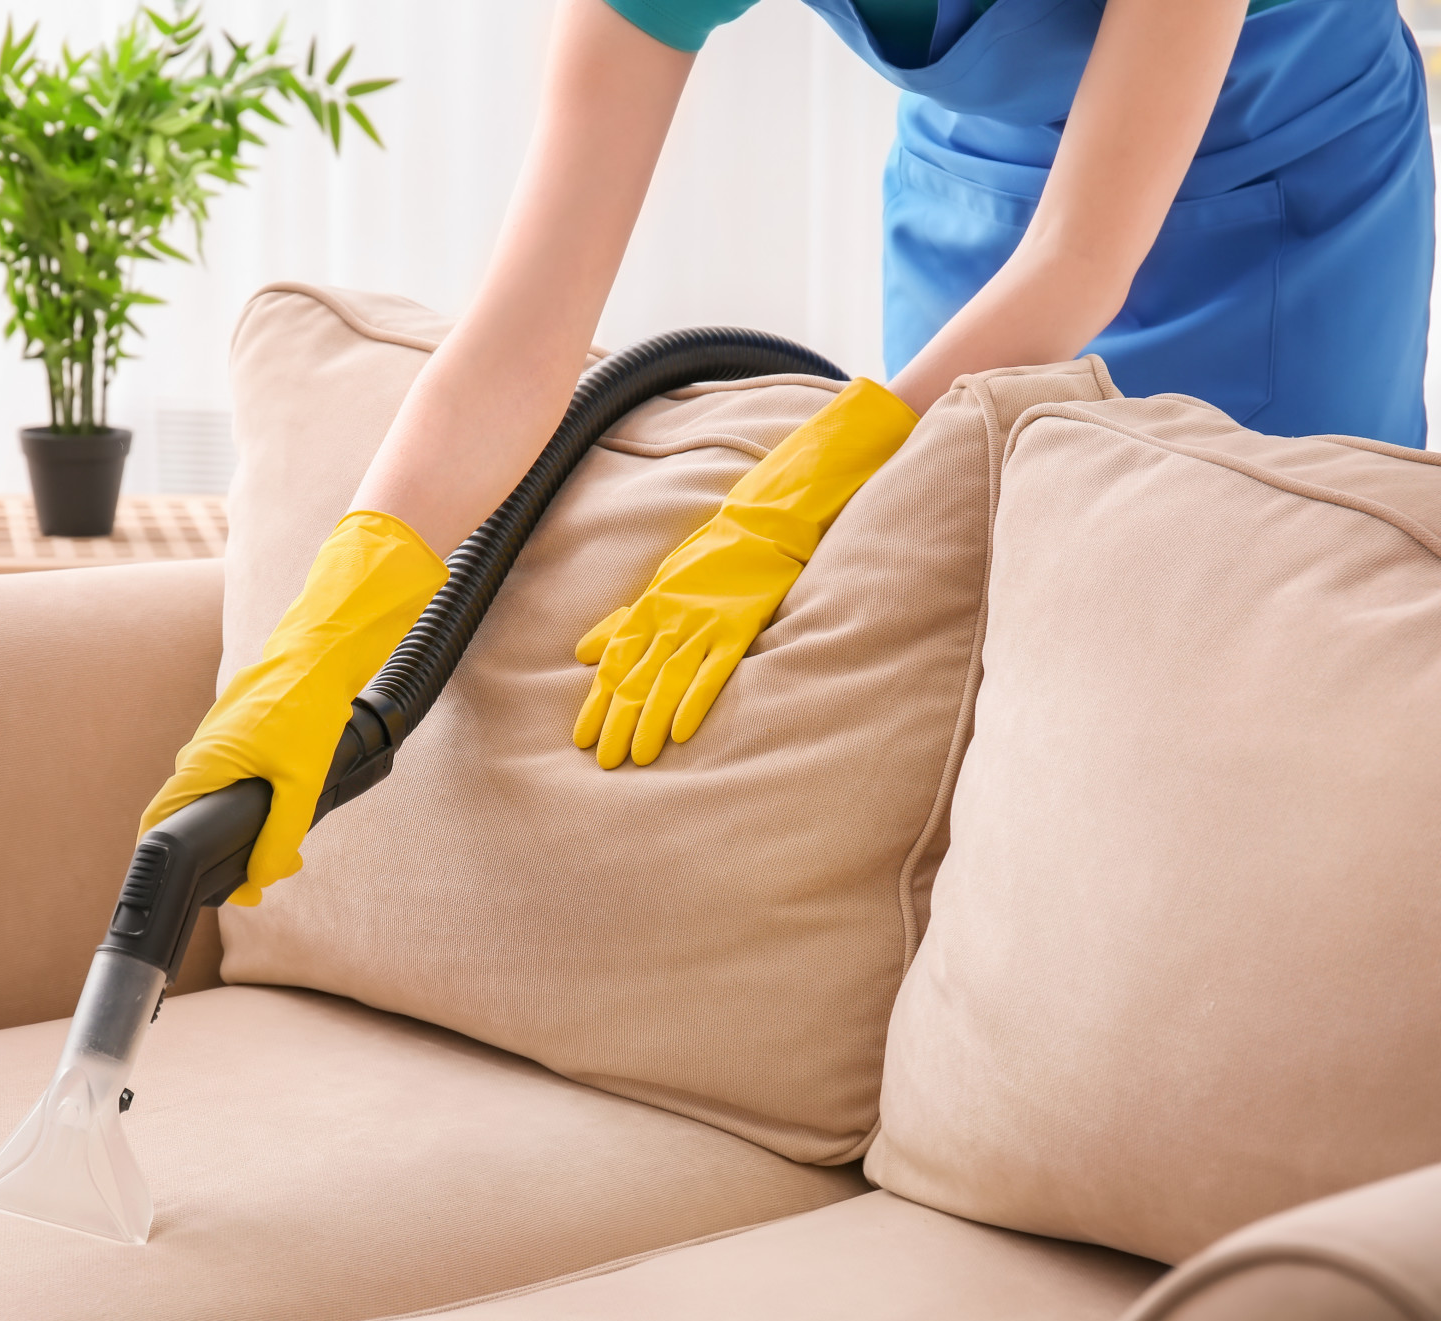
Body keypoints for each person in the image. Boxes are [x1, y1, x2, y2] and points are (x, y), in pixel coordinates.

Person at [142, 0, 1435, 901]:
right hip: (979, 181)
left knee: (1257, 666)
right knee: (962, 619)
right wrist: (318, 645)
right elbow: (526, 330)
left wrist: (802, 485)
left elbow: (1083, 256)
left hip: (1278, 171)